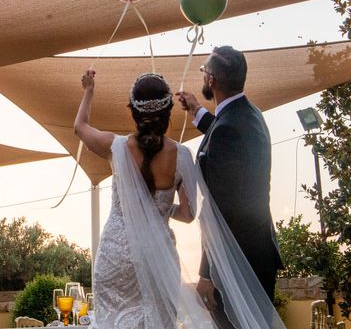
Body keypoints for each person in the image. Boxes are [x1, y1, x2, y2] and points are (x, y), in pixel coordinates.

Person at [75, 69, 284, 329]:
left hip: (115, 255)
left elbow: (80, 127)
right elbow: (188, 214)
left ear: (133, 112)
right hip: (157, 257)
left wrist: (89, 91)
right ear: (167, 113)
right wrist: (162, 209)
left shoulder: (114, 147)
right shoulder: (182, 156)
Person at [177, 45, 284, 328]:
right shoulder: (249, 115)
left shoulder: (227, 130)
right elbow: (222, 133)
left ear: (211, 80)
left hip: (235, 263)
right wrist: (196, 111)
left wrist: (208, 273)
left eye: (204, 72)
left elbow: (222, 211)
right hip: (258, 250)